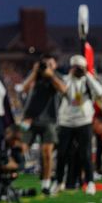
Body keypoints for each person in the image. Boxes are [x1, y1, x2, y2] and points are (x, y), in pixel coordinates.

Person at [51, 55, 102, 196]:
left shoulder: (88, 80)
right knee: (62, 153)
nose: (78, 70)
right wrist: (71, 75)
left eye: (80, 67)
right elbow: (63, 90)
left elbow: (100, 91)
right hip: (66, 121)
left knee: (85, 153)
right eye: (75, 67)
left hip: (84, 121)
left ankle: (90, 182)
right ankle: (58, 181)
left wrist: (87, 75)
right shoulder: (66, 79)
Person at [20, 54, 66, 194]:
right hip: (30, 119)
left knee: (46, 153)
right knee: (20, 147)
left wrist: (51, 75)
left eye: (50, 64)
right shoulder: (35, 76)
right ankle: (14, 179)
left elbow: (63, 90)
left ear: (55, 65)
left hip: (49, 120)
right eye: (45, 64)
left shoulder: (56, 76)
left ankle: (45, 184)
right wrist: (35, 72)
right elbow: (24, 88)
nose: (46, 66)